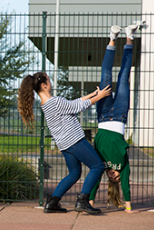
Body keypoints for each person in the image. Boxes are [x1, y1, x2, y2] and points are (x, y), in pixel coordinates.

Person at [18, 67, 112, 214]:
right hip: (75, 141)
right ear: (44, 85)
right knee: (97, 166)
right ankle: (83, 201)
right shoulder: (55, 101)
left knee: (74, 173)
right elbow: (77, 106)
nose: (50, 83)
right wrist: (100, 96)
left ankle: (52, 202)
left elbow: (72, 104)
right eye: (48, 80)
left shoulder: (46, 104)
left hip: (64, 145)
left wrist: (93, 94)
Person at [89, 25, 139, 214]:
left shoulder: (101, 165)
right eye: (117, 177)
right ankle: (129, 37)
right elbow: (126, 184)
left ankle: (112, 38)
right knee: (124, 76)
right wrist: (128, 206)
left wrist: (91, 201)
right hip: (119, 114)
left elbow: (93, 182)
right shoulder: (122, 165)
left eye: (114, 178)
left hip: (103, 114)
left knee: (106, 76)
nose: (115, 176)